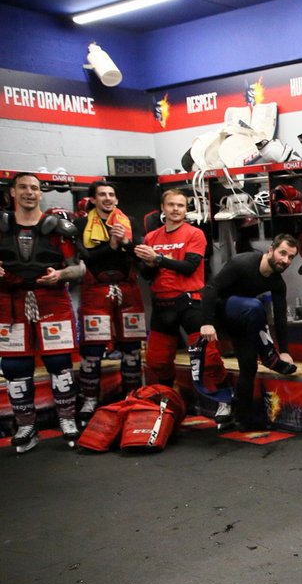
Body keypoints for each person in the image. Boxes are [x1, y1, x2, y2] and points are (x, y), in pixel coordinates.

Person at [0, 172, 85, 451]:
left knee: (59, 361)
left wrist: (61, 274)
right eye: (23, 187)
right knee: (14, 366)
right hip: (10, 302)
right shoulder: (1, 226)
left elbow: (80, 268)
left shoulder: (58, 228)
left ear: (40, 193)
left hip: (51, 299)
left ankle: (67, 420)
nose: (29, 192)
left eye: (34, 188)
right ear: (12, 192)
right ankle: (26, 425)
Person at [134, 189, 230, 423]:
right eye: (171, 205)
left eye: (180, 205)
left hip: (189, 303)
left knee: (209, 357)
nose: (176, 209)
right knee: (156, 360)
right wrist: (147, 262)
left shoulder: (194, 233)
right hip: (162, 305)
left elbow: (189, 267)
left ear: (185, 209)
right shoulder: (151, 238)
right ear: (163, 208)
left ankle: (224, 401)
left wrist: (157, 259)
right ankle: (168, 400)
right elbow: (147, 274)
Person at [197, 234, 299, 430]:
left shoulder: (278, 283)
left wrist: (285, 351)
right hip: (220, 312)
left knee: (249, 366)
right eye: (282, 253)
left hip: (243, 319)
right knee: (255, 305)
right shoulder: (242, 263)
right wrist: (206, 323)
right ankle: (269, 355)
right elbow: (210, 289)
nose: (285, 260)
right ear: (271, 250)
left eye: (291, 257)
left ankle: (242, 418)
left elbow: (280, 318)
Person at [74, 180, 146, 423]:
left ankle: (132, 396)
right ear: (93, 199)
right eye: (102, 194)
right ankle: (90, 399)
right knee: (92, 350)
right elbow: (86, 258)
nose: (107, 198)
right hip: (96, 287)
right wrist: (112, 246)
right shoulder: (82, 223)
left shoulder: (129, 222)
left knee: (132, 348)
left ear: (116, 199)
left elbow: (139, 252)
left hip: (128, 288)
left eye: (111, 194)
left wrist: (125, 243)